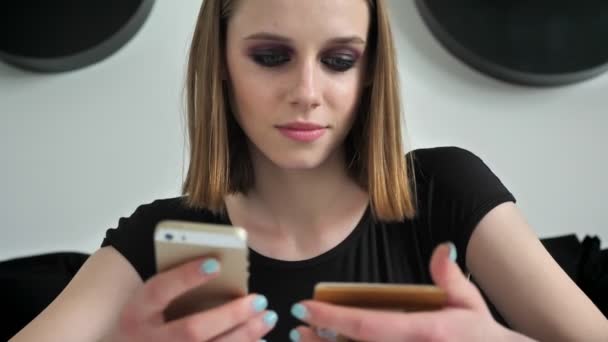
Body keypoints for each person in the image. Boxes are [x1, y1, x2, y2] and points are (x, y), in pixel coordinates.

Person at [11, 0, 608, 341]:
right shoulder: (157, 237)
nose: (306, 92)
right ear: (219, 64)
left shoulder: (446, 189)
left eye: (339, 60)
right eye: (271, 57)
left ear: (370, 70)